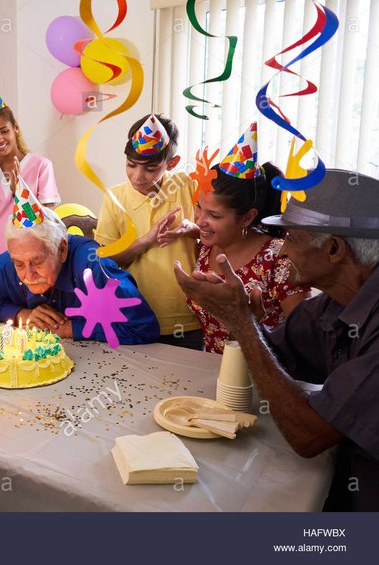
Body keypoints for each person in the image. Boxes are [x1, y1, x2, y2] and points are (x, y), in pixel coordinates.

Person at [175, 169, 379, 511]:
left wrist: (242, 323)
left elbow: (308, 435)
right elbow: (279, 353)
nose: (282, 251)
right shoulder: (332, 303)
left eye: (290, 238)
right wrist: (248, 321)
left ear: (333, 249)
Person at [0, 192, 159, 344]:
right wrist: (22, 313)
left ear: (62, 249)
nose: (27, 275)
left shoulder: (93, 266)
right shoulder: (5, 266)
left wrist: (72, 328)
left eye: (37, 262)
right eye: (19, 263)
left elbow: (143, 327)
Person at [188, 124, 310, 353]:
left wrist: (252, 320)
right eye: (198, 207)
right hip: (214, 372)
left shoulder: (279, 258)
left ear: (247, 217)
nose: (200, 220)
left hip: (265, 379)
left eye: (214, 215)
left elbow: (306, 340)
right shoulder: (205, 248)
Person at [95, 114, 202, 349]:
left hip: (187, 316)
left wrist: (190, 230)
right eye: (131, 165)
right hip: (134, 315)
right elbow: (104, 263)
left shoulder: (189, 186)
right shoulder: (115, 199)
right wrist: (145, 241)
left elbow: (215, 239)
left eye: (151, 169)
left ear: (171, 164)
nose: (138, 176)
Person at [0, 78, 61, 278]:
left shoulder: (41, 166)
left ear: (15, 128)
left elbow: (46, 222)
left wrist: (20, 193)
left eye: (4, 131)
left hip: (27, 260)